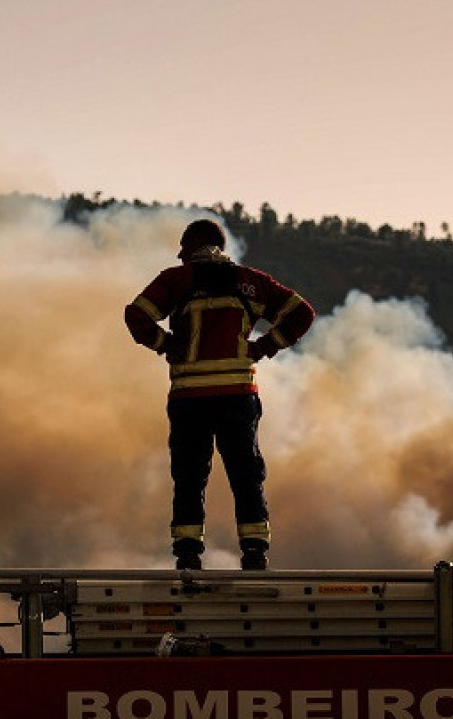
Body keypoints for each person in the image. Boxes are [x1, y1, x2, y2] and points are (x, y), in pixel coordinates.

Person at [125, 219, 315, 571]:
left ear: (195, 244)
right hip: (237, 396)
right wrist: (264, 347)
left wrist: (166, 344)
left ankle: (187, 553)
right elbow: (302, 314)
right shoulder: (252, 282)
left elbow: (137, 315)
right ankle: (254, 552)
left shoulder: (176, 280)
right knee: (246, 474)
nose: (180, 254)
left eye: (184, 246)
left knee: (189, 476)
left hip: (189, 398)